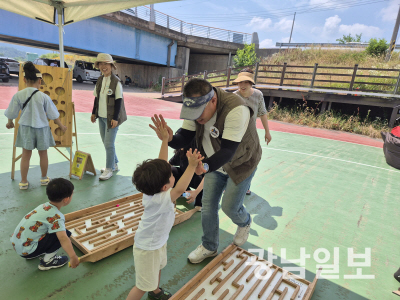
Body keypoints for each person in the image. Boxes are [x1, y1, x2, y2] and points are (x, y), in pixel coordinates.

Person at [150, 78, 262, 264]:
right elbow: (184, 137)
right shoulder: (196, 107)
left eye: (199, 113)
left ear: (213, 101)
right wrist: (170, 139)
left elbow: (227, 150)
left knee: (230, 207)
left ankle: (245, 222)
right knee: (208, 206)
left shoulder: (237, 109)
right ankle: (209, 246)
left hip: (242, 162)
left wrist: (207, 166)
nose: (196, 118)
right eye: (191, 114)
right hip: (212, 161)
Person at [127, 119, 203, 300]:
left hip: (157, 242)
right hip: (148, 248)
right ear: (164, 186)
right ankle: (150, 290)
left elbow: (162, 163)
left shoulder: (152, 190)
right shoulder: (162, 198)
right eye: (170, 175)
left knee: (158, 269)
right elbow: (179, 188)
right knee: (141, 285)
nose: (172, 174)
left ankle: (156, 292)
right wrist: (192, 166)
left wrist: (164, 140)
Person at [4, 61, 67, 190]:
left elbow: (12, 112)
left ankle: (23, 181)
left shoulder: (18, 95)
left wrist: (10, 122)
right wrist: (62, 126)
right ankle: (44, 179)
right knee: (43, 154)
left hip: (25, 128)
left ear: (24, 79)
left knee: (26, 155)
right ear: (39, 81)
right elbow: (53, 115)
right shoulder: (43, 96)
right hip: (42, 128)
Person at [10, 178, 80, 270]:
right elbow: (63, 239)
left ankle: (33, 252)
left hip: (18, 245)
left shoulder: (43, 206)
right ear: (66, 199)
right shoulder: (57, 217)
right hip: (27, 251)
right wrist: (73, 256)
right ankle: (48, 262)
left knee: (52, 230)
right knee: (65, 234)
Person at [233, 67, 272, 195]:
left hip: (250, 134)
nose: (242, 85)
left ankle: (246, 186)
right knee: (235, 159)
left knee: (251, 160)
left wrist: (267, 132)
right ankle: (233, 184)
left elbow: (262, 113)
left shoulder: (258, 95)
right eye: (240, 82)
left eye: (245, 82)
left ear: (251, 83)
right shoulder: (234, 96)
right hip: (235, 133)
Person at [91, 53, 127, 180]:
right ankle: (114, 164)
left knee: (109, 143)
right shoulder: (100, 80)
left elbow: (119, 101)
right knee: (106, 142)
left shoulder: (116, 82)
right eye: (101, 64)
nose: (103, 66)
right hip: (101, 116)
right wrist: (93, 112)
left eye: (106, 63)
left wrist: (115, 118)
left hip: (112, 117)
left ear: (111, 66)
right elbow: (96, 98)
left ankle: (109, 169)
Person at [169, 134, 204, 209]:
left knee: (199, 177)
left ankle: (199, 202)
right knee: (171, 171)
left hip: (201, 185)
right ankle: (184, 193)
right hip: (188, 181)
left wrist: (196, 192)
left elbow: (208, 177)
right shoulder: (181, 151)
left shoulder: (199, 154)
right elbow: (168, 164)